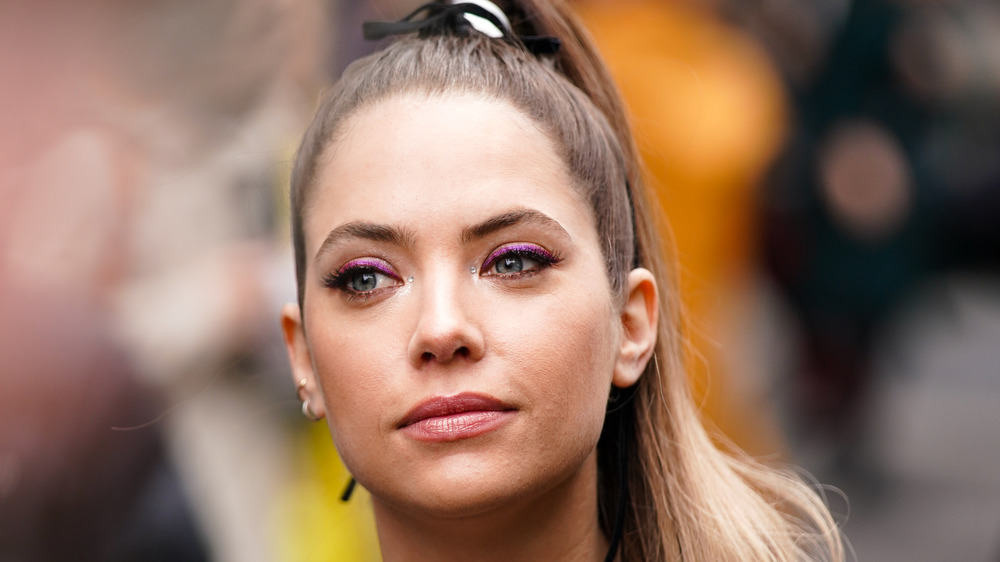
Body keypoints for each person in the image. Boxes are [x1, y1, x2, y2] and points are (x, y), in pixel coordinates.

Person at [279, 1, 845, 560]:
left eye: (514, 262)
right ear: (302, 355)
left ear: (631, 323)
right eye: (366, 278)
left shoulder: (712, 84)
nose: (442, 328)